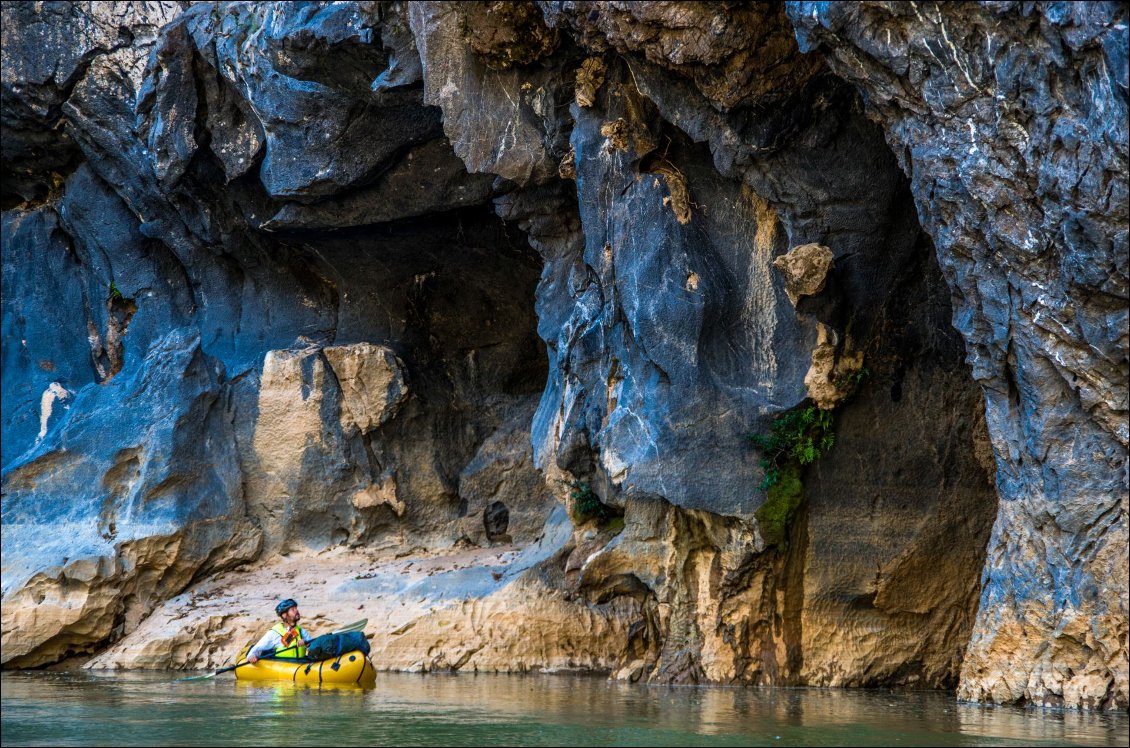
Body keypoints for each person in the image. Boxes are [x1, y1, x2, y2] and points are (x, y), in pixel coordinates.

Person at [247, 599, 314, 663]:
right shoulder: (274, 633)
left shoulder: (301, 631)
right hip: (281, 667)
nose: (296, 610)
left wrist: (306, 643)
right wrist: (251, 656)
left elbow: (313, 647)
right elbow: (257, 648)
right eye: (293, 609)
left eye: (296, 608)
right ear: (284, 615)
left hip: (299, 665)